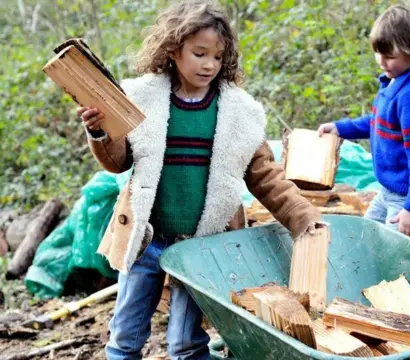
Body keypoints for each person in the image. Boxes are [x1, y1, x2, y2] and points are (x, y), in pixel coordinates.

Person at [77, 1, 322, 359]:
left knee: (185, 342)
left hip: (203, 244)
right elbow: (118, 161)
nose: (209, 64)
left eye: (218, 57)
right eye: (200, 53)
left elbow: (266, 176)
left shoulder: (238, 113)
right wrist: (99, 131)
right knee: (125, 336)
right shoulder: (143, 98)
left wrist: (304, 217)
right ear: (174, 50)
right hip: (147, 237)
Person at [318, 4, 410, 243]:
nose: (381, 61)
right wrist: (340, 128)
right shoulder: (395, 82)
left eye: (389, 56)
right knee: (368, 240)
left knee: (399, 253)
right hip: (389, 190)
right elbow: (378, 122)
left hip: (409, 195)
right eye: (378, 53)